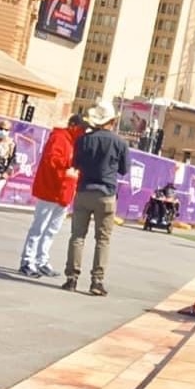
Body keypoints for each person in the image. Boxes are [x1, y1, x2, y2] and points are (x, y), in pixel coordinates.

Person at [62, 101, 129, 296]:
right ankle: (96, 281)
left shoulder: (83, 140)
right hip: (106, 194)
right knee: (103, 240)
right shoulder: (120, 143)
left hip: (83, 191)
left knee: (77, 236)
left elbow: (76, 164)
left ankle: (71, 278)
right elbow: (124, 170)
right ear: (113, 121)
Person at [18, 114, 86, 278]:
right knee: (39, 227)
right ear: (73, 125)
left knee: (52, 230)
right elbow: (52, 160)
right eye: (81, 128)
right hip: (50, 189)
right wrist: (70, 165)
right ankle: (28, 260)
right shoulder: (59, 137)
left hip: (64, 191)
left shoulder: (76, 143)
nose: (83, 131)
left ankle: (41, 260)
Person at [0, 119, 16, 197]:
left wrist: (7, 172)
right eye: (1, 129)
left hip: (1, 171)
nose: (3, 131)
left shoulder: (11, 143)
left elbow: (12, 159)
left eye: (6, 130)